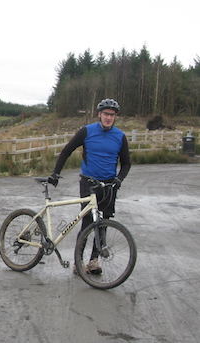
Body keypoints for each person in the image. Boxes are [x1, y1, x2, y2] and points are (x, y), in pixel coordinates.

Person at [47, 98, 131, 274]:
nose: (109, 117)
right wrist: (56, 173)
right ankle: (79, 262)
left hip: (109, 186)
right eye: (106, 114)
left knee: (103, 224)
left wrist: (119, 179)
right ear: (99, 114)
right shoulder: (86, 131)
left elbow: (126, 163)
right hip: (89, 183)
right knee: (87, 223)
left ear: (115, 117)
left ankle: (93, 261)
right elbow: (67, 150)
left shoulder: (120, 137)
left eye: (112, 115)